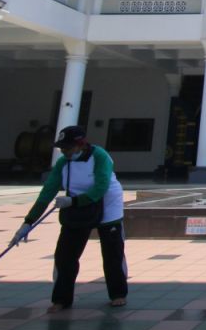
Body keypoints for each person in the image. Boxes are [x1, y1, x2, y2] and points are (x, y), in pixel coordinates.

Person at [10, 125, 127, 312]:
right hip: (76, 207)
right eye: (62, 148)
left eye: (68, 147)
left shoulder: (100, 156)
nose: (64, 151)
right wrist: (28, 222)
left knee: (112, 252)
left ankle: (118, 293)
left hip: (107, 205)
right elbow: (47, 192)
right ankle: (61, 298)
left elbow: (100, 187)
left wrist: (72, 201)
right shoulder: (63, 163)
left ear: (80, 145)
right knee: (65, 255)